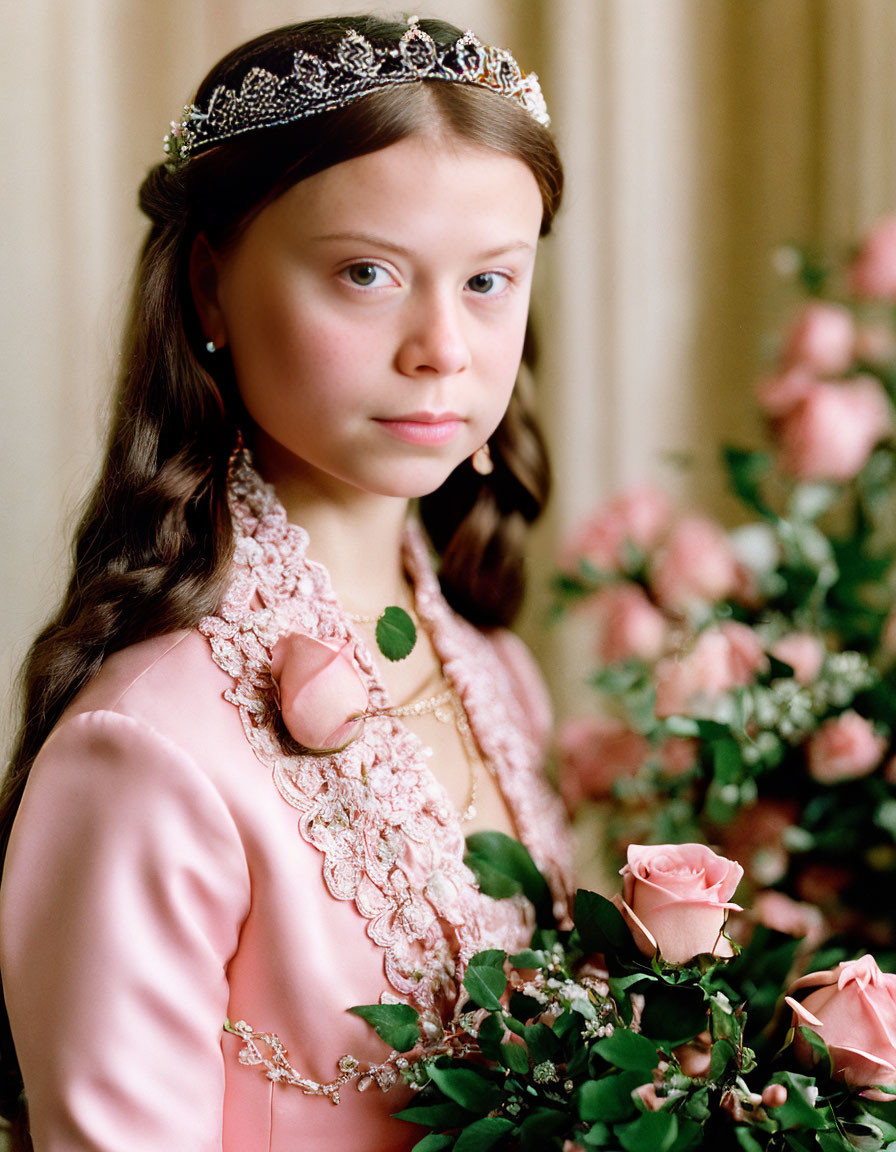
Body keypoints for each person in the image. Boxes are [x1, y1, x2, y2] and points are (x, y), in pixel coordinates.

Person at [0, 14, 572, 1151]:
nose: (442, 349)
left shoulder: (499, 673)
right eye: (366, 274)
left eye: (487, 281)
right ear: (211, 292)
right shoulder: (149, 742)